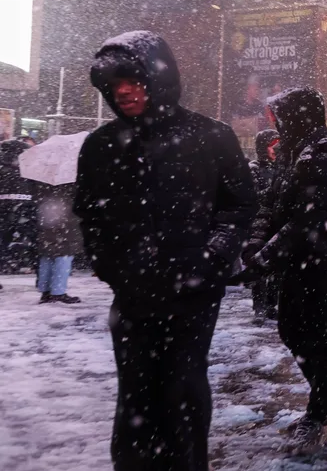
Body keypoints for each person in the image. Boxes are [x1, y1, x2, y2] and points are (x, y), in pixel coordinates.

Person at [74, 31, 256, 469]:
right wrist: (114, 268)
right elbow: (91, 217)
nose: (122, 91)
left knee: (183, 389)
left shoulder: (212, 137)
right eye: (113, 84)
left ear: (157, 78)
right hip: (133, 294)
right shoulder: (101, 146)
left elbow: (239, 207)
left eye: (131, 79)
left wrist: (211, 258)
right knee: (135, 395)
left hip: (194, 295)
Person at [242, 86, 327, 451]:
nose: (275, 124)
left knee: (320, 335)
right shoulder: (292, 155)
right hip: (300, 263)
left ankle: (320, 409)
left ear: (299, 117)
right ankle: (326, 401)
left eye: (281, 117)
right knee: (293, 329)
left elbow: (307, 221)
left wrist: (265, 258)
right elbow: (272, 205)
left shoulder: (322, 157)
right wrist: (256, 245)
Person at [34, 180, 84, 304]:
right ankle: (58, 292)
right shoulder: (69, 180)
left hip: (47, 218)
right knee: (64, 255)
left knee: (47, 254)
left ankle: (45, 291)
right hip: (66, 220)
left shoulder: (41, 177)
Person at [248, 129, 280, 319]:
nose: (275, 148)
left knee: (276, 265)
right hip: (259, 224)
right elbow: (251, 197)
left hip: (276, 222)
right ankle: (259, 305)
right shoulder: (254, 168)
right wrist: (271, 192)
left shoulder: (282, 167)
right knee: (258, 265)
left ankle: (271, 304)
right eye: (271, 144)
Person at [0, 139, 36, 278]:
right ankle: (24, 262)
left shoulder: (3, 169)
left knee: (4, 237)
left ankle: (5, 262)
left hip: (4, 207)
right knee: (26, 234)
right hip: (24, 207)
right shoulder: (27, 169)